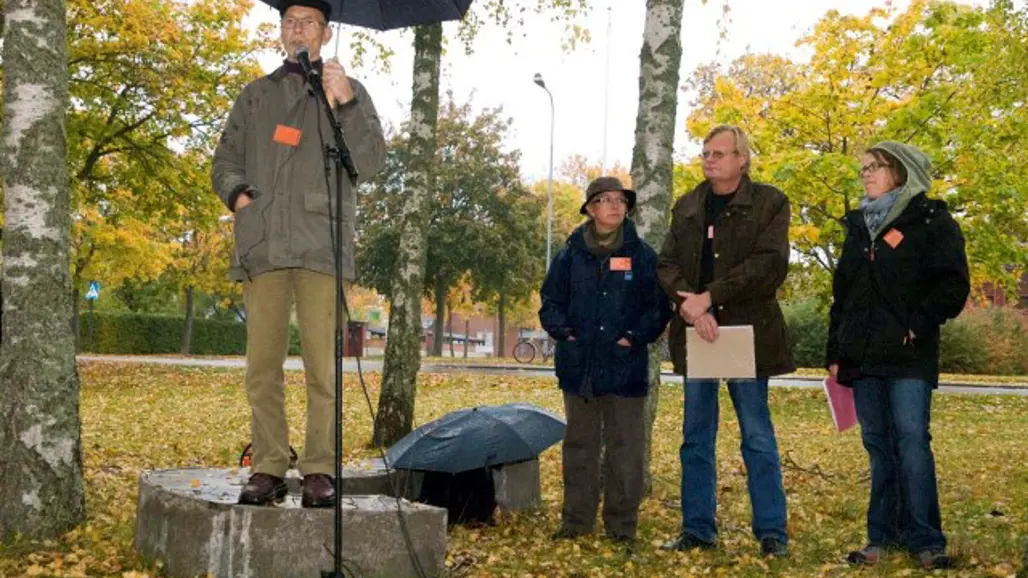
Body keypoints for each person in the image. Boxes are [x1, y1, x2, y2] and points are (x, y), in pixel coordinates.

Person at [211, 0, 386, 507]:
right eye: (289, 22)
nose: (297, 29)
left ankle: (318, 469)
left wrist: (346, 102)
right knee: (261, 366)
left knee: (321, 368)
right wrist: (241, 196)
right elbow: (223, 159)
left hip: (321, 246)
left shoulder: (344, 92)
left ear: (326, 34)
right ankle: (267, 468)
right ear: (281, 33)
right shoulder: (256, 95)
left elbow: (371, 162)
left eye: (307, 22)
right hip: (263, 243)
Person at [826, 142, 968, 570]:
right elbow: (843, 295)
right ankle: (880, 539)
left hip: (909, 356)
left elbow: (952, 287)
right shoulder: (857, 226)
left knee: (911, 443)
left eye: (876, 167)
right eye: (864, 168)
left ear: (902, 173)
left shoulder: (932, 221)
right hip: (863, 357)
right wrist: (836, 350)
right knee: (877, 446)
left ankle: (927, 540)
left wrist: (917, 325)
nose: (865, 174)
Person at [657, 125, 793, 557]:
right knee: (696, 435)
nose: (710, 160)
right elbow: (666, 263)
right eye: (705, 153)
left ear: (742, 159)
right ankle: (697, 529)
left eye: (719, 153)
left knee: (756, 435)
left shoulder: (770, 203)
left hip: (747, 335)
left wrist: (711, 298)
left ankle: (772, 532)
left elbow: (768, 265)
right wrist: (691, 306)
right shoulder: (688, 205)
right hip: (698, 334)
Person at [539, 176, 672, 545]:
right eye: (605, 200)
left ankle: (622, 527)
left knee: (625, 450)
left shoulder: (643, 255)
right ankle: (576, 522)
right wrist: (564, 333)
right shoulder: (569, 254)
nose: (614, 206)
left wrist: (633, 338)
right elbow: (550, 302)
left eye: (620, 200)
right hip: (579, 368)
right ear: (591, 208)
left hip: (624, 369)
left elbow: (658, 307)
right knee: (579, 447)